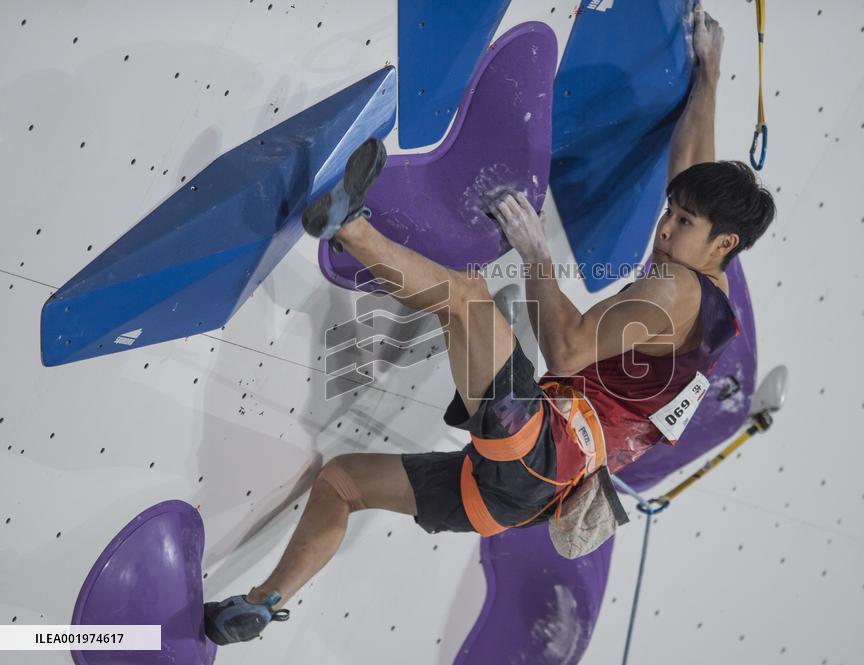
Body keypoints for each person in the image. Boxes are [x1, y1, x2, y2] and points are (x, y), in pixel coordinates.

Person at [204, 3, 775, 645]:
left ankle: (346, 223)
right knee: (342, 483)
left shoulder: (674, 283)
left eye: (682, 224)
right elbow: (691, 172)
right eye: (668, 214)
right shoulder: (714, 301)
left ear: (722, 242)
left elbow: (564, 350)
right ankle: (260, 604)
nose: (664, 229)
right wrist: (710, 79)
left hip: (539, 450)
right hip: (521, 500)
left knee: (468, 300)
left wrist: (536, 256)